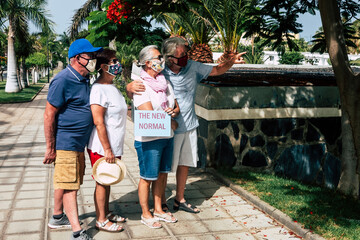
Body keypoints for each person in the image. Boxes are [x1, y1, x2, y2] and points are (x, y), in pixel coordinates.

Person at [160, 37, 246, 213]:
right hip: (169, 128)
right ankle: (161, 203)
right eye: (181, 55)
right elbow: (140, 86)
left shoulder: (193, 66)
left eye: (186, 53)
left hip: (189, 125)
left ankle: (180, 199)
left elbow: (217, 70)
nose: (186, 57)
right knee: (164, 168)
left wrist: (230, 62)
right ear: (170, 58)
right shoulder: (160, 72)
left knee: (184, 164)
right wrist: (130, 89)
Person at [43, 38, 102, 240]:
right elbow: (49, 114)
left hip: (78, 144)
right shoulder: (63, 80)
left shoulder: (83, 78)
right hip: (66, 142)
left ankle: (58, 216)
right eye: (90, 56)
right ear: (78, 58)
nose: (94, 59)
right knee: (70, 186)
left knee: (66, 179)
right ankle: (77, 232)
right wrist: (51, 148)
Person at [133, 45, 180, 229]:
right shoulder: (140, 85)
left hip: (167, 136)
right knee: (147, 176)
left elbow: (176, 107)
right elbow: (148, 113)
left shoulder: (164, 82)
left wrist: (173, 114)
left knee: (161, 175)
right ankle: (146, 213)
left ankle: (158, 209)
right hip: (149, 139)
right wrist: (171, 122)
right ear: (147, 63)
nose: (161, 60)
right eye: (158, 57)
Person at [86, 49, 126, 233]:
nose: (118, 64)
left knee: (108, 179)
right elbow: (98, 122)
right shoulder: (98, 89)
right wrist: (107, 149)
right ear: (103, 66)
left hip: (114, 145)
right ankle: (100, 219)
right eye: (114, 61)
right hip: (101, 147)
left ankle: (106, 212)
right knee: (102, 181)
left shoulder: (112, 86)